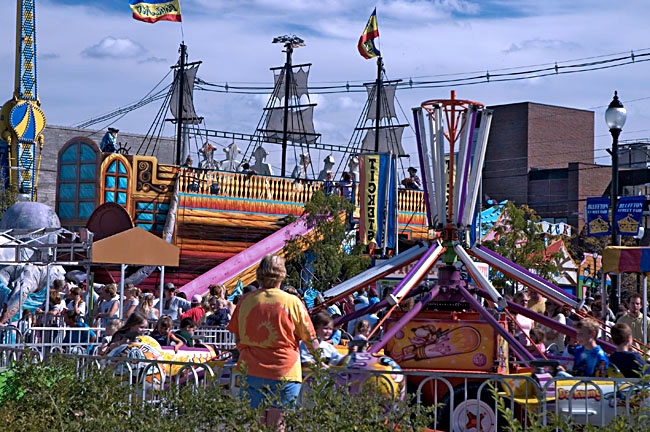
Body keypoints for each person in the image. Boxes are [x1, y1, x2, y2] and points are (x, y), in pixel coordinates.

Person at [226, 253, 319, 424]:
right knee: (278, 425)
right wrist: (321, 362)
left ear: (259, 273)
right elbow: (310, 338)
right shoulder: (293, 302)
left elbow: (238, 338)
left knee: (257, 424)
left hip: (251, 369)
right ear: (282, 274)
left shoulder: (245, 301)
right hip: (285, 371)